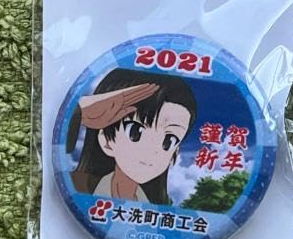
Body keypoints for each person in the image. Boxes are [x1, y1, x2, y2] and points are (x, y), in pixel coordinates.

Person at [66, 68, 196, 204]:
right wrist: (80, 113)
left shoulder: (157, 207)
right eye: (135, 132)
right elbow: (60, 146)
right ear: (106, 140)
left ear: (175, 152)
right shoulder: (77, 187)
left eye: (169, 141)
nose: (152, 150)